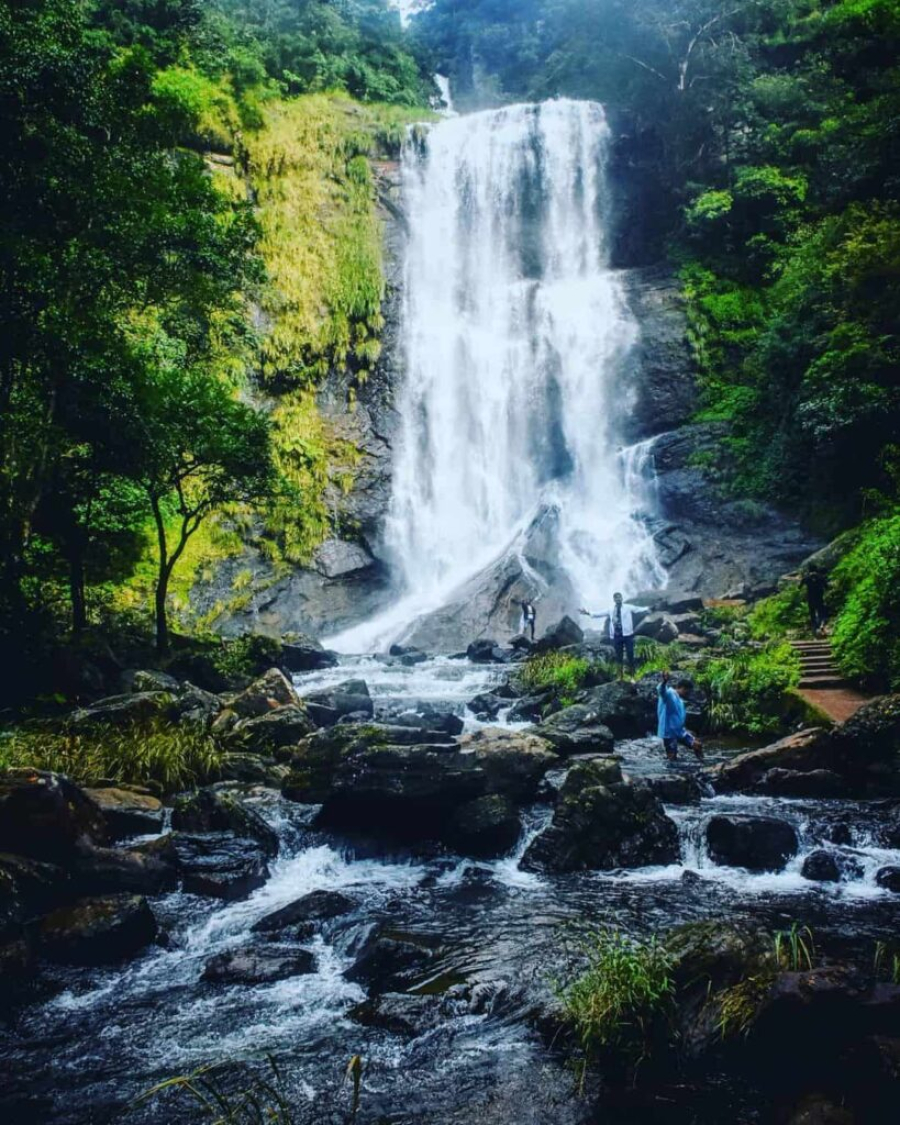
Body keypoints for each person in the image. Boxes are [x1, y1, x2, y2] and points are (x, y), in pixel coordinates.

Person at [580, 592, 639, 679]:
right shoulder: (611, 609)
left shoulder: (627, 607)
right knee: (619, 656)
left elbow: (639, 609)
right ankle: (620, 677)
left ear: (622, 598)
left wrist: (650, 609)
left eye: (619, 597)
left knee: (630, 654)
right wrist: (587, 613)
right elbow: (599, 614)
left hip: (627, 635)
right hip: (617, 635)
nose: (618, 599)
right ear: (614, 600)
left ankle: (633, 675)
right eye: (616, 598)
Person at [657, 671, 703, 763]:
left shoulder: (680, 700)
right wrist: (664, 681)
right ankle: (672, 774)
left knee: (697, 745)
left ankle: (702, 763)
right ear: (681, 688)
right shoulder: (669, 694)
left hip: (679, 731)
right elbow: (661, 691)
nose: (688, 694)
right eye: (687, 691)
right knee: (672, 757)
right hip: (669, 733)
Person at [800, 563, 828, 635]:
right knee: (821, 612)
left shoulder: (806, 578)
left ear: (809, 570)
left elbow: (799, 587)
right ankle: (821, 625)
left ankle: (814, 629)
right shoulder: (820, 577)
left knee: (812, 613)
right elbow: (827, 586)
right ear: (816, 569)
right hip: (819, 597)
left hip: (810, 598)